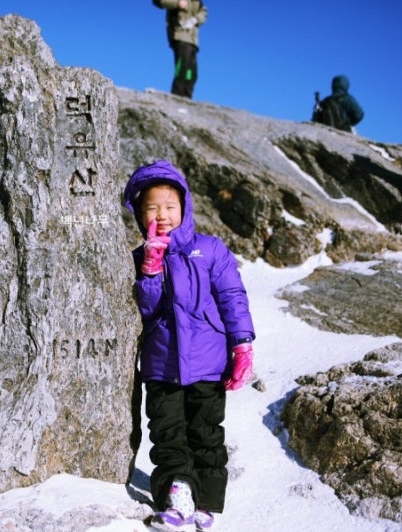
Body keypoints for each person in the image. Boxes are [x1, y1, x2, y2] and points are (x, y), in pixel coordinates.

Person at [123, 160, 256, 531]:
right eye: (151, 208)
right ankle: (177, 495)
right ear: (139, 212)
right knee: (167, 433)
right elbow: (145, 313)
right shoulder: (138, 258)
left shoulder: (210, 250)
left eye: (169, 206)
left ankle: (207, 502)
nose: (161, 215)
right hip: (162, 365)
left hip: (208, 363)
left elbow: (232, 296)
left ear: (184, 207)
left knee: (206, 434)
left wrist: (242, 344)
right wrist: (150, 271)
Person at [153, 0, 207, 98]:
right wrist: (177, 3)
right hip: (179, 35)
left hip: (193, 40)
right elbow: (158, 1)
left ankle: (187, 97)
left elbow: (204, 12)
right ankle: (177, 95)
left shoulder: (198, 2)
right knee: (182, 66)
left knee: (192, 73)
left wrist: (195, 19)